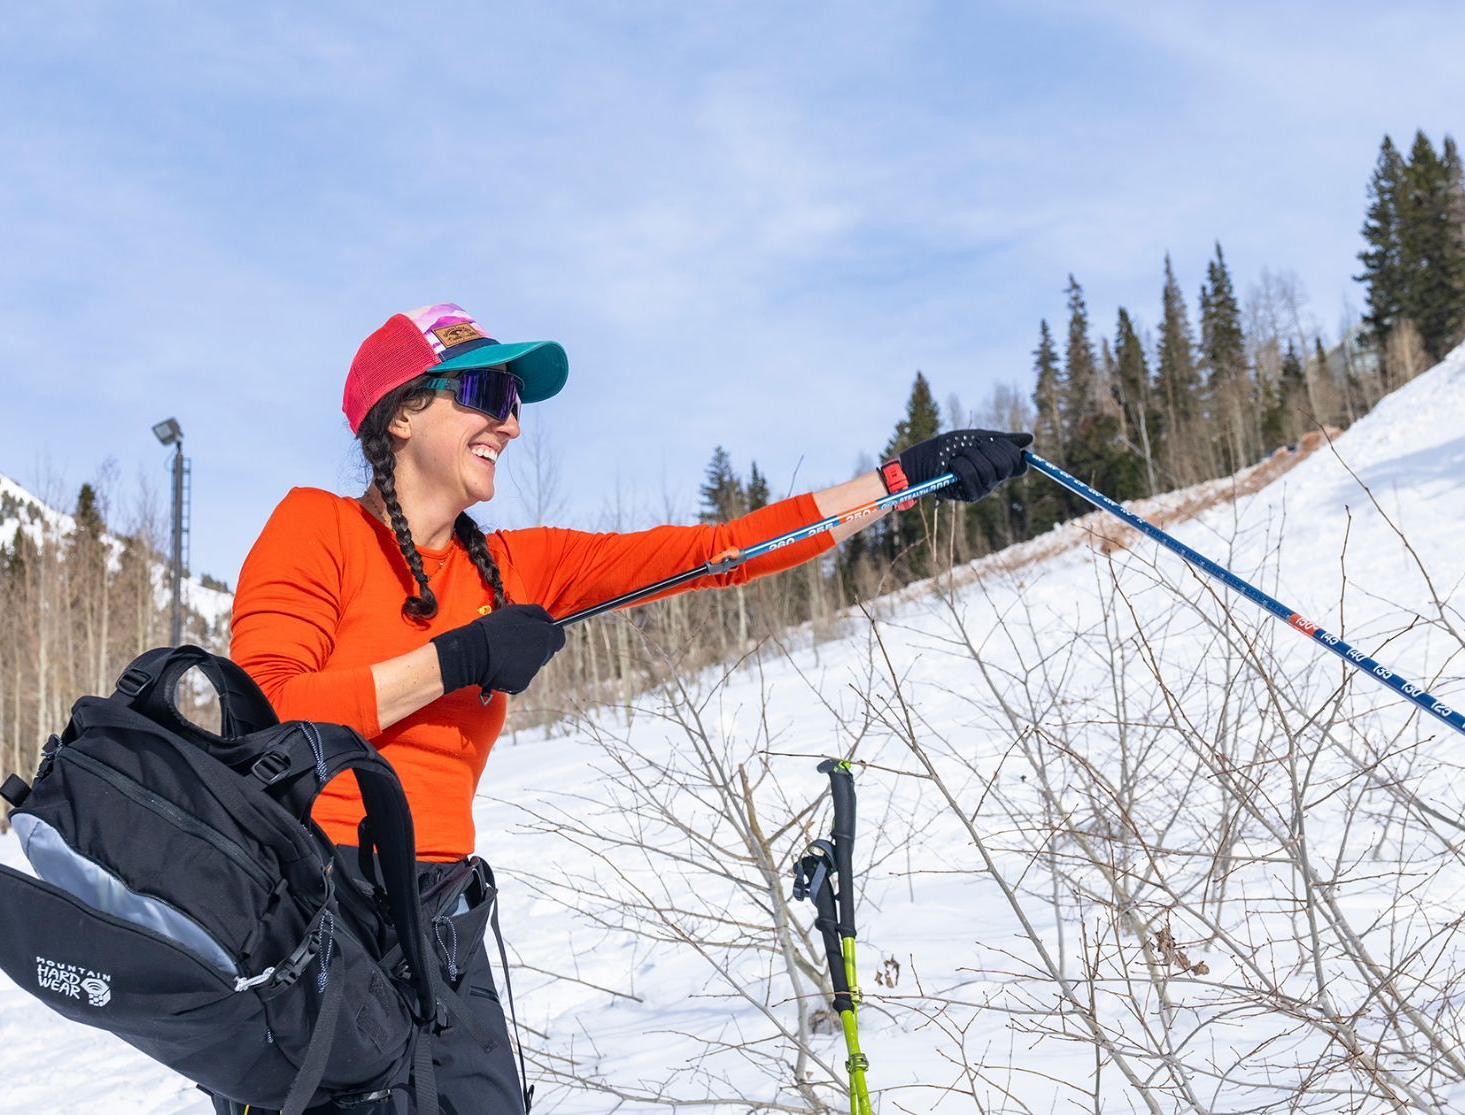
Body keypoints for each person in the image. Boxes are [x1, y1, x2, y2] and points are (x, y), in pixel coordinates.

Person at [222, 300, 1032, 1114]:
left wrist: (902, 481)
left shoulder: (513, 566)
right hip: (309, 903)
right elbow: (268, 715)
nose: (509, 423)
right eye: (485, 392)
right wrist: (457, 658)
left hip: (439, 918)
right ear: (400, 412)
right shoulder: (315, 527)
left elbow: (719, 554)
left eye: (512, 401)